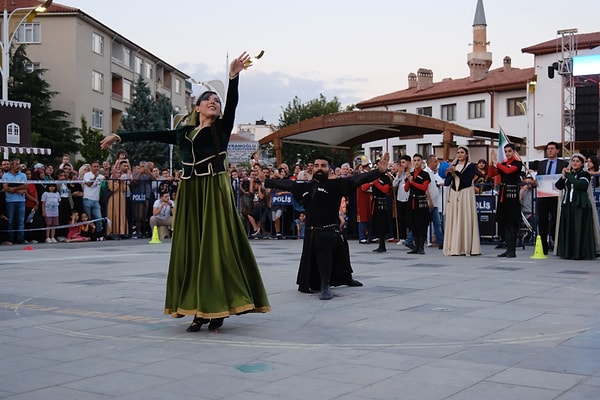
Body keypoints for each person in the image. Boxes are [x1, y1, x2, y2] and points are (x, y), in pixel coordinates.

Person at [101, 52, 270, 331]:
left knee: (213, 248)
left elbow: (234, 103)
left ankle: (216, 308)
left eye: (217, 101)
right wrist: (119, 136)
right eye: (209, 101)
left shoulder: (221, 130)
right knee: (192, 248)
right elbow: (154, 133)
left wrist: (233, 77)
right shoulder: (183, 133)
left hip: (213, 190)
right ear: (197, 106)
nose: (214, 103)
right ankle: (199, 309)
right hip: (190, 191)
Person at [265, 153, 389, 300]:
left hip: (332, 230)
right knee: (322, 243)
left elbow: (356, 180)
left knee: (339, 248)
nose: (319, 168)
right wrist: (266, 181)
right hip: (313, 233)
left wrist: (378, 172)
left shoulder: (336, 185)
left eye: (323, 166)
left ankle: (346, 279)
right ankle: (325, 286)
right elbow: (287, 184)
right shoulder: (305, 186)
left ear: (329, 169)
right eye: (316, 165)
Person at [554, 154, 599, 259]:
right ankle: (568, 252)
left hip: (580, 205)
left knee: (578, 229)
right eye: (573, 161)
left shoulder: (585, 174)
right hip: (568, 205)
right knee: (569, 228)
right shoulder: (570, 174)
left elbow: (581, 185)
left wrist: (569, 175)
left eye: (577, 161)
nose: (574, 163)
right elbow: (558, 186)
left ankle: (580, 253)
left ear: (582, 163)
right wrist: (564, 176)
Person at [443, 145, 481, 256]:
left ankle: (466, 247)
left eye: (462, 152)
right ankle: (454, 246)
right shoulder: (454, 165)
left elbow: (467, 180)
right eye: (458, 152)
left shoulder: (471, 167)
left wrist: (456, 172)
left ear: (467, 154)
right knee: (454, 219)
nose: (459, 155)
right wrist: (449, 173)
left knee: (465, 218)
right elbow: (447, 183)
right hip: (455, 194)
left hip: (465, 194)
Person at [489, 143, 523, 258]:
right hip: (503, 193)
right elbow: (491, 174)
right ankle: (508, 249)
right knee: (505, 223)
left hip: (512, 195)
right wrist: (491, 163)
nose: (508, 153)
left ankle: (512, 250)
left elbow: (508, 171)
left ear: (514, 152)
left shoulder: (517, 163)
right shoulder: (503, 164)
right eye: (506, 151)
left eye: (509, 151)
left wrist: (496, 163)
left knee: (512, 223)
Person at [535, 142, 568, 255]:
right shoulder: (541, 164)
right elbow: (539, 177)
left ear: (557, 150)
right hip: (543, 196)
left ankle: (556, 243)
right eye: (548, 149)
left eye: (552, 148)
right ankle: (543, 246)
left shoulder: (563, 163)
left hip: (556, 196)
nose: (549, 151)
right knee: (542, 221)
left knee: (556, 220)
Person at [405, 154, 431, 255]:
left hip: (421, 201)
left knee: (422, 225)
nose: (416, 162)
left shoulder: (425, 174)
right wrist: (408, 180)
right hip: (412, 201)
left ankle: (421, 247)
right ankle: (416, 247)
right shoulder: (410, 174)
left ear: (421, 162)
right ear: (412, 162)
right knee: (413, 224)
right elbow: (406, 189)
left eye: (418, 160)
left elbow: (424, 188)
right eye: (415, 160)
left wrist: (412, 182)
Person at [2, 158, 27, 244]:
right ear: (12, 165)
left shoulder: (23, 175)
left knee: (20, 220)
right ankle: (10, 238)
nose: (18, 166)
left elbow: (25, 186)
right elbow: (5, 188)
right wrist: (18, 190)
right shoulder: (5, 176)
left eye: (19, 164)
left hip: (21, 201)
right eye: (16, 164)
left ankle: (20, 238)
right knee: (10, 220)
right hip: (10, 201)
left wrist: (13, 189)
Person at [83, 161, 105, 239]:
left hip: (96, 200)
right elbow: (88, 184)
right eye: (94, 167)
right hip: (87, 199)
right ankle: (88, 235)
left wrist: (106, 168)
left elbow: (107, 177)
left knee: (99, 218)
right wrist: (95, 177)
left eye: (97, 167)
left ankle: (99, 235)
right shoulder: (87, 175)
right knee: (88, 219)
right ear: (91, 168)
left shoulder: (100, 176)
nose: (96, 168)